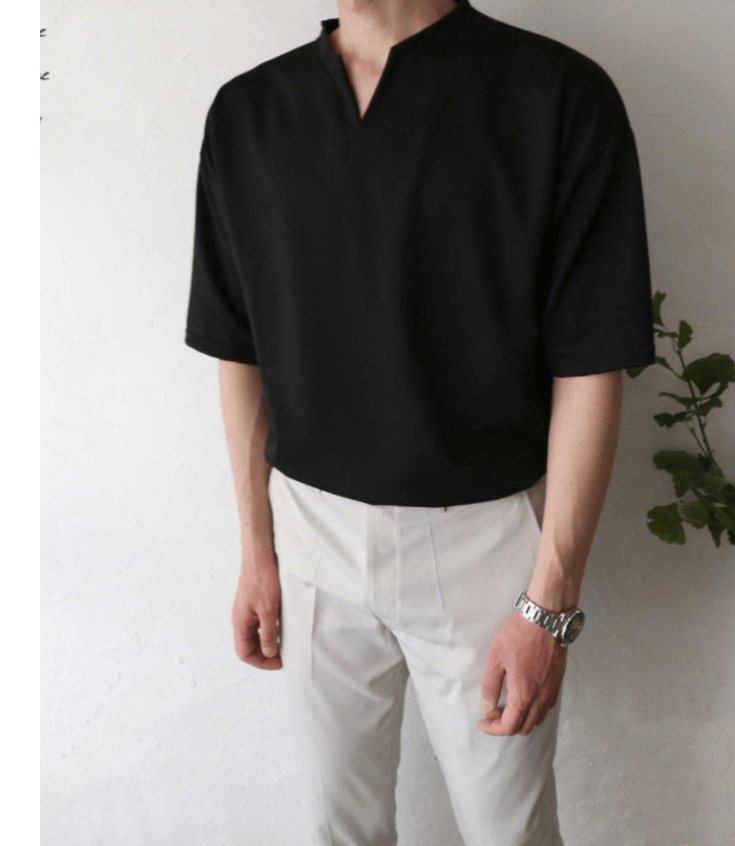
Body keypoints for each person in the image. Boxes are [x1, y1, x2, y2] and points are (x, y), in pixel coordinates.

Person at [183, 0, 655, 843]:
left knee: (510, 833)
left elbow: (591, 362)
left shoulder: (556, 96)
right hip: (311, 536)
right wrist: (257, 550)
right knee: (339, 827)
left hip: (484, 545)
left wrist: (549, 604)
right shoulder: (249, 113)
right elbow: (239, 347)